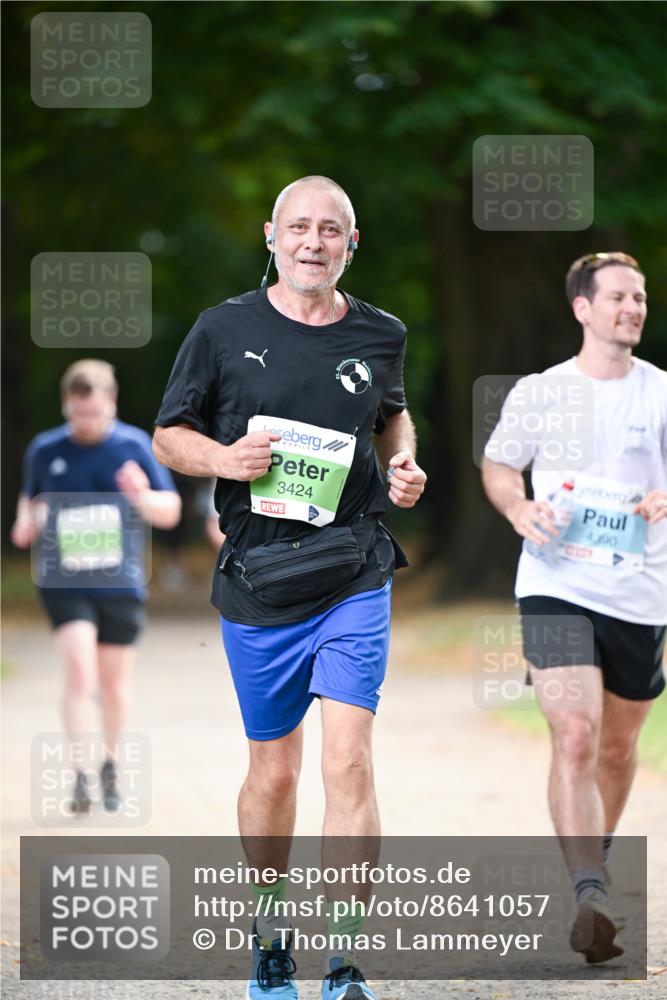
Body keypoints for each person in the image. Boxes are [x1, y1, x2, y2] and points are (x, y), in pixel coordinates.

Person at [153, 175, 426, 1000]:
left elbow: (393, 414)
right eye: (298, 228)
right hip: (261, 581)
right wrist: (222, 459)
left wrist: (406, 462)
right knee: (273, 773)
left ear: (351, 244)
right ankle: (270, 936)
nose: (313, 242)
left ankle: (345, 959)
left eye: (330, 230)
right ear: (271, 236)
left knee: (348, 764)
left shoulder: (382, 333)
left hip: (352, 571)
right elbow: (168, 435)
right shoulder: (221, 329)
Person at [481, 252, 666, 964]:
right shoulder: (540, 392)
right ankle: (588, 891)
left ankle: (595, 864)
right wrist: (518, 507)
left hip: (640, 591)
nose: (632, 308)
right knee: (577, 735)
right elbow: (499, 464)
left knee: (617, 749)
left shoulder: (657, 393)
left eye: (640, 298)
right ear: (582, 309)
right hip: (555, 582)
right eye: (618, 297)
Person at [11, 360, 181, 813]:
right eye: (79, 414)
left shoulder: (133, 445)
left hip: (120, 582)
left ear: (112, 403)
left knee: (113, 683)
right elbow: (24, 518)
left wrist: (142, 495)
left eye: (96, 413)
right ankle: (81, 773)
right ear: (67, 406)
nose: (87, 423)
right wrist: (31, 522)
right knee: (80, 673)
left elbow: (169, 512)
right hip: (63, 582)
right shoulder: (45, 449)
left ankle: (109, 764)